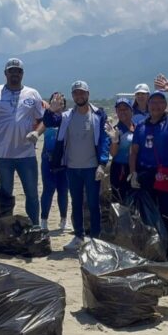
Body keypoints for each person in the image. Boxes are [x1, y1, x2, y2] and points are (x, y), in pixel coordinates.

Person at [44, 81, 111, 251]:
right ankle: (79, 236)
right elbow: (50, 121)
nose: (79, 96)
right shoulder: (66, 116)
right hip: (72, 167)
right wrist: (51, 109)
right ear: (72, 96)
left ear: (88, 94)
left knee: (94, 204)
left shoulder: (98, 114)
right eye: (76, 93)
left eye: (82, 93)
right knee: (76, 203)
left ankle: (95, 238)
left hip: (91, 167)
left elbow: (104, 139)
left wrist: (102, 163)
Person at [0, 58, 44, 225]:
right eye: (11, 71)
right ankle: (6, 228)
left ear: (22, 74)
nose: (15, 74)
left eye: (18, 71)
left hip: (26, 154)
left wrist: (36, 133)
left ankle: (35, 227)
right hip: (3, 154)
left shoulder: (33, 94)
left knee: (31, 194)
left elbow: (43, 120)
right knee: (6, 195)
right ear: (5, 73)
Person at [128, 75, 168, 239]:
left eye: (160, 102)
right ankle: (153, 244)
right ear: (147, 105)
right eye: (152, 102)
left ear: (165, 105)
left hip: (166, 174)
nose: (156, 106)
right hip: (145, 174)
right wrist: (133, 173)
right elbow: (133, 151)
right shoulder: (140, 126)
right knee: (147, 212)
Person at [40, 93, 70, 231]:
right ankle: (44, 220)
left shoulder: (67, 119)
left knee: (63, 191)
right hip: (48, 159)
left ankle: (64, 219)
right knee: (48, 189)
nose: (58, 104)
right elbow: (42, 125)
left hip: (64, 160)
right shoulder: (47, 118)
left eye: (61, 102)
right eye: (55, 101)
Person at [106, 97, 136, 203]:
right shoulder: (115, 130)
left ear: (131, 110)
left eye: (125, 109)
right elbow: (113, 153)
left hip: (135, 169)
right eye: (119, 109)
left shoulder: (137, 128)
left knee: (134, 200)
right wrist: (115, 140)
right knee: (118, 200)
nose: (122, 112)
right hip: (119, 169)